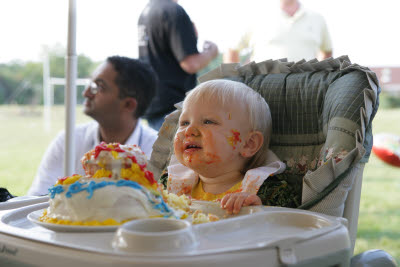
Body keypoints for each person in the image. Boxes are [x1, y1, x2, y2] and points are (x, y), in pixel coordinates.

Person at [28, 56, 158, 196]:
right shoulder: (69, 141)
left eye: (98, 87)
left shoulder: (159, 152)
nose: (86, 93)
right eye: (90, 84)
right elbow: (37, 199)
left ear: (128, 104)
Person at [160, 80, 286, 214]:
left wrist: (258, 209)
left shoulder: (268, 191)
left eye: (208, 121)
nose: (189, 130)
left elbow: (292, 226)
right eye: (184, 122)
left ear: (248, 144)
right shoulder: (169, 184)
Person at [138, 0, 219, 130]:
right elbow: (190, 64)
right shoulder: (173, 11)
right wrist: (211, 52)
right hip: (173, 107)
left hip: (153, 104)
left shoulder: (147, 11)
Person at [250, 0, 332, 62]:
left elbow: (327, 51)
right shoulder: (258, 17)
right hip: (263, 82)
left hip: (305, 83)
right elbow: (236, 48)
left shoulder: (317, 18)